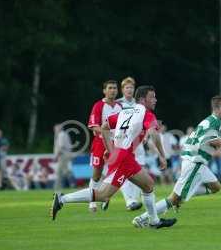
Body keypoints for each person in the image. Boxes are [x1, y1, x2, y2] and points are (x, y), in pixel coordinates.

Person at [51, 86, 177, 229]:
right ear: (143, 99)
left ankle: (154, 221)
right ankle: (62, 199)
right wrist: (162, 155)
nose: (155, 100)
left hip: (124, 155)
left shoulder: (125, 111)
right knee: (104, 195)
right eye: (152, 97)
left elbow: (104, 127)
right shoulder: (146, 114)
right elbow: (154, 134)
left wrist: (111, 149)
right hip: (123, 157)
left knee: (148, 185)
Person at [132, 95, 221, 228]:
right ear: (216, 108)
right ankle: (142, 218)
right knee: (173, 198)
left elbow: (204, 140)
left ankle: (182, 196)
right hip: (194, 163)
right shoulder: (215, 122)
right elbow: (211, 141)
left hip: (196, 162)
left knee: (215, 187)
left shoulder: (210, 120)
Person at [104, 76, 144, 211]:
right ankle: (129, 201)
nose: (129, 90)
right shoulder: (118, 105)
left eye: (132, 87)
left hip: (137, 141)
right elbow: (111, 124)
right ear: (122, 89)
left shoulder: (139, 103)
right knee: (123, 171)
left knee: (139, 169)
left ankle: (133, 199)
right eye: (127, 87)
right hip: (123, 141)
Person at [87, 80, 122, 212]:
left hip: (116, 143)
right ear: (104, 91)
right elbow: (93, 126)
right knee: (97, 174)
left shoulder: (120, 106)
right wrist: (106, 132)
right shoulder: (98, 105)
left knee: (115, 171)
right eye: (110, 88)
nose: (113, 90)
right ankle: (92, 201)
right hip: (100, 143)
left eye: (115, 88)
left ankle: (105, 196)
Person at [53, 123, 73, 191]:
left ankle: (57, 186)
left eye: (56, 129)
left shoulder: (61, 135)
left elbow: (61, 147)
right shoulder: (64, 134)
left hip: (62, 155)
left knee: (59, 171)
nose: (55, 130)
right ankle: (72, 183)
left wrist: (56, 156)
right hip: (66, 155)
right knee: (66, 171)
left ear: (59, 128)